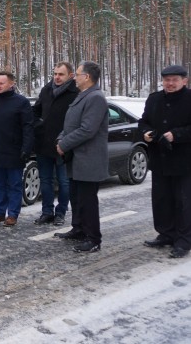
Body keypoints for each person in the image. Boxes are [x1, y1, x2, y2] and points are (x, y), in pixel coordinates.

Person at [54, 61, 109, 253]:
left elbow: (87, 129)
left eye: (77, 74)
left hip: (88, 159)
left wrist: (64, 144)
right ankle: (78, 229)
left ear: (86, 77)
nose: (74, 77)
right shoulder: (83, 96)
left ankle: (93, 238)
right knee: (76, 197)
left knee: (87, 200)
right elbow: (70, 125)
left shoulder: (95, 98)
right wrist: (61, 138)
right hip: (76, 158)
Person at [138, 65, 191, 259]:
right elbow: (143, 121)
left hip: (184, 161)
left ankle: (184, 240)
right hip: (159, 159)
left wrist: (176, 135)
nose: (170, 83)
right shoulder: (154, 99)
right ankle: (166, 234)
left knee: (183, 202)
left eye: (174, 80)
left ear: (185, 81)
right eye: (166, 80)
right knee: (161, 200)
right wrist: (145, 132)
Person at [0, 71, 34, 227]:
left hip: (14, 151)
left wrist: (26, 148)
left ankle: (13, 214)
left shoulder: (21, 102)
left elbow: (28, 127)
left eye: (2, 83)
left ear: (11, 84)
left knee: (14, 184)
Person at [32, 62, 79, 226]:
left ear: (71, 75)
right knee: (45, 181)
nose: (57, 77)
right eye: (55, 74)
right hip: (44, 143)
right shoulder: (46, 90)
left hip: (64, 145)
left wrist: (67, 140)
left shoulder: (76, 92)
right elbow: (35, 111)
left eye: (61, 74)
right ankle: (47, 212)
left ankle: (61, 212)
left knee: (64, 183)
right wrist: (37, 125)